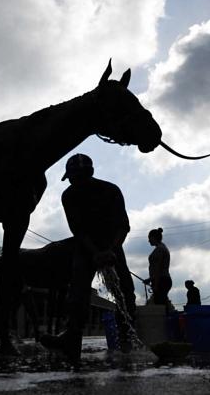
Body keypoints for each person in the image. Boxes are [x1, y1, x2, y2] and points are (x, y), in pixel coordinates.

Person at [40, 153, 137, 362]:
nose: (75, 182)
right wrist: (96, 253)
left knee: (126, 291)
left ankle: (127, 338)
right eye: (73, 178)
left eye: (78, 177)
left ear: (90, 174)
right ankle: (72, 337)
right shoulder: (69, 195)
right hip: (85, 247)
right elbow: (78, 230)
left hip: (113, 245)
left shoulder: (110, 191)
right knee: (79, 291)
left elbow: (123, 226)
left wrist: (110, 250)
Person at [144, 228, 172, 306]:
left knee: (160, 306)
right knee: (162, 305)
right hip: (163, 280)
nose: (148, 240)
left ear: (153, 237)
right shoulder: (162, 247)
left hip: (161, 281)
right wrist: (150, 279)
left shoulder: (159, 249)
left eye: (149, 238)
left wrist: (156, 284)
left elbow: (158, 268)